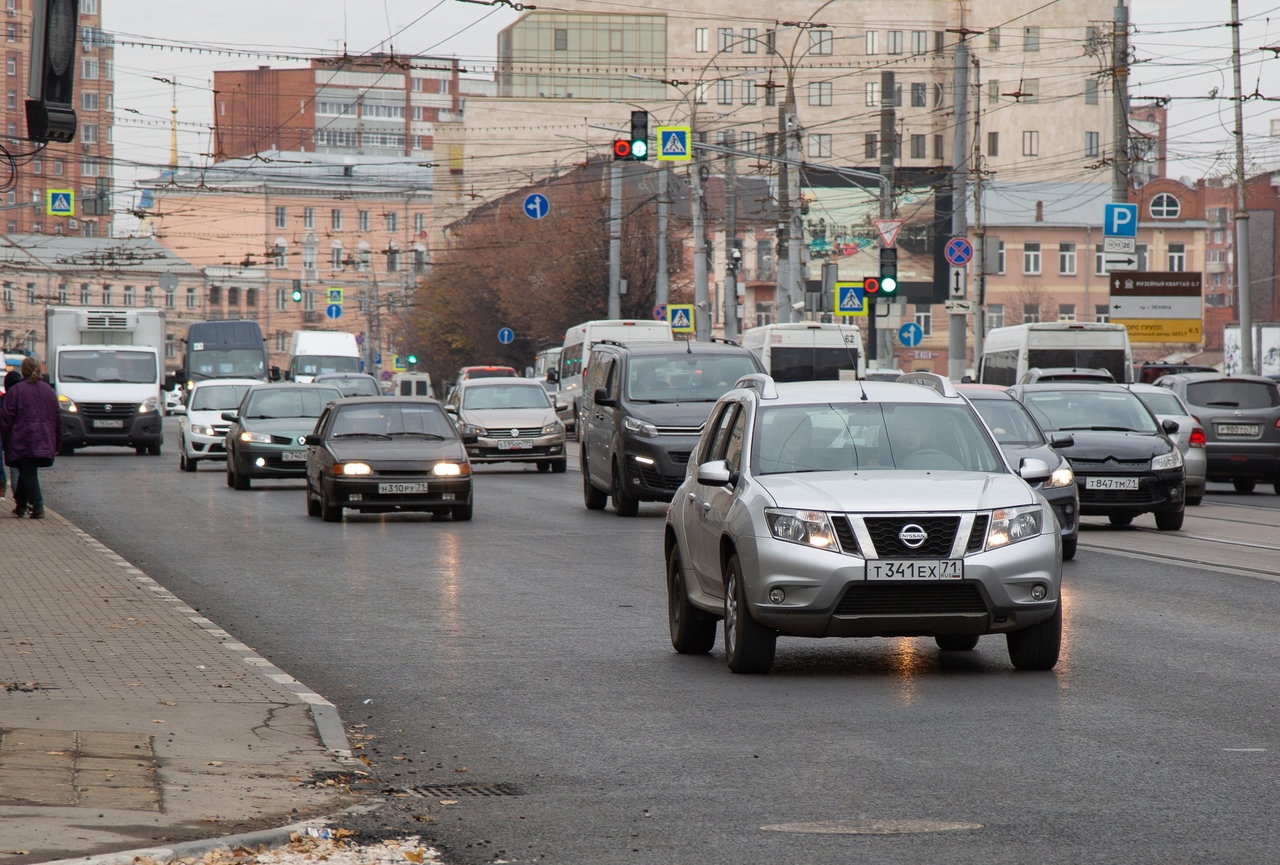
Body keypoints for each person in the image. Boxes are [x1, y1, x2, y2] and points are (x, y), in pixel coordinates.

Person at [0, 357, 61, 519]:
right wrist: (57, 442)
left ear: (23, 370)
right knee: (27, 470)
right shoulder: (49, 391)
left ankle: (38, 504)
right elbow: (57, 418)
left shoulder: (16, 391)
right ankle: (21, 505)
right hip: (44, 438)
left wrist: (4, 437)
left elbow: (5, 417)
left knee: (28, 471)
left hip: (22, 439)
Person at [0, 369, 23, 498]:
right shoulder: (24, 398)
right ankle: (25, 502)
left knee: (15, 471)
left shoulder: (4, 399)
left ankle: (19, 502)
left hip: (11, 440)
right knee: (25, 472)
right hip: (25, 438)